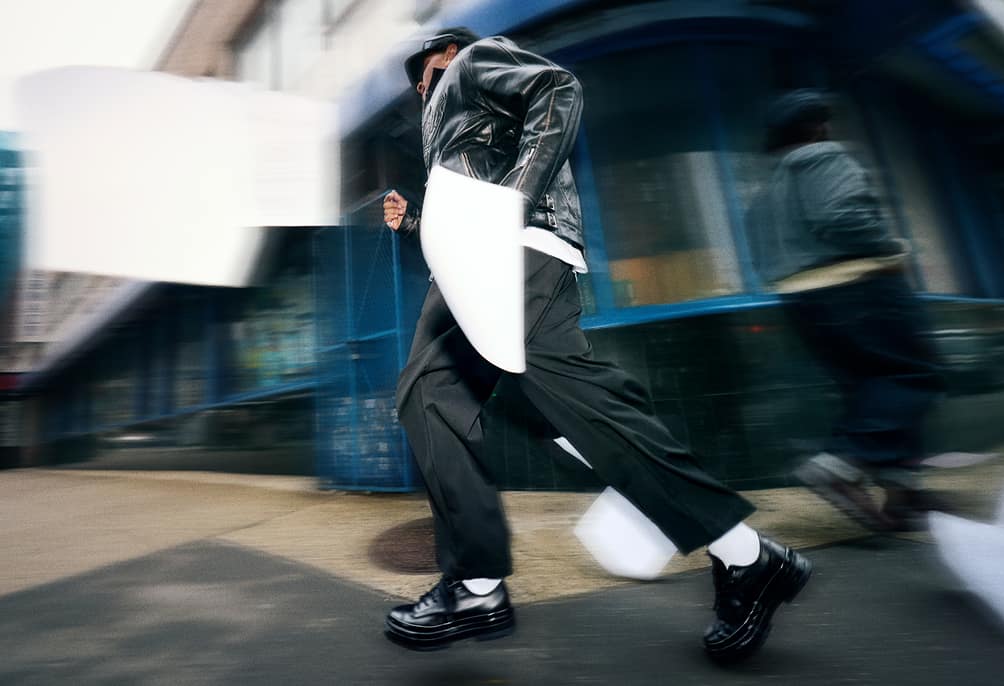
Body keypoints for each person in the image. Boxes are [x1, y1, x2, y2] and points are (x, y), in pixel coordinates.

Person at [379, 28, 810, 662]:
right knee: (476, 398)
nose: (425, 79)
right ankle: (743, 556)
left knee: (451, 391)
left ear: (456, 54)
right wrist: (415, 223)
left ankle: (479, 584)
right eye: (418, 76)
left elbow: (558, 88)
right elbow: (471, 190)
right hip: (481, 261)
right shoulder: (449, 123)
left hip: (510, 251)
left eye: (431, 64)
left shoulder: (475, 61)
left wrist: (511, 202)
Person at [746, 90, 948, 532]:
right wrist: (893, 246)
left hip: (806, 303)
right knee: (913, 375)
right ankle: (841, 464)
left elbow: (761, 254)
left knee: (869, 388)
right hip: (859, 287)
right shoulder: (823, 157)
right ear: (818, 127)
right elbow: (843, 217)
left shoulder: (767, 193)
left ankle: (903, 494)